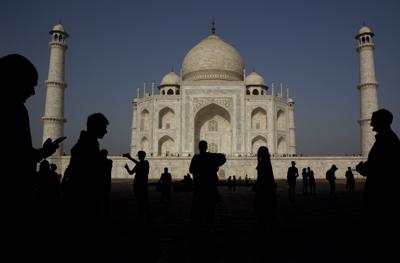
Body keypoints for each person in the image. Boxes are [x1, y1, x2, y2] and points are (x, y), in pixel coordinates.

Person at [1, 54, 59, 259]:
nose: (34, 91)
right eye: (29, 84)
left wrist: (42, 153)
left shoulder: (18, 109)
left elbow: (18, 155)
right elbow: (17, 158)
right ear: (13, 80)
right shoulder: (15, 111)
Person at [356, 109, 400, 259]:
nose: (371, 123)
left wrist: (364, 168)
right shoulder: (386, 139)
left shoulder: (387, 140)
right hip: (380, 191)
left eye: (374, 120)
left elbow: (382, 166)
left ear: (382, 122)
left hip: (382, 193)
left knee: (380, 229)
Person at [189, 140, 226, 231]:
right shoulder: (210, 157)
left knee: (198, 206)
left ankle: (197, 225)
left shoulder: (196, 158)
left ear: (199, 147)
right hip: (209, 185)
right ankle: (209, 225)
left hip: (199, 186)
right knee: (210, 207)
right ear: (206, 147)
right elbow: (223, 159)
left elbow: (191, 170)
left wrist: (198, 172)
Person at [123, 151, 151, 225]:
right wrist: (127, 168)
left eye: (139, 155)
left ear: (142, 156)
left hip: (141, 185)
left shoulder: (145, 163)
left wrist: (130, 158)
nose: (138, 156)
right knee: (141, 202)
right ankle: (142, 217)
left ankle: (144, 218)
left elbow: (139, 164)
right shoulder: (140, 164)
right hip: (138, 185)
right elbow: (131, 173)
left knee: (143, 201)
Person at [254, 146, 278, 233]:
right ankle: (271, 227)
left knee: (261, 209)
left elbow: (262, 177)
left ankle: (263, 228)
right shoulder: (267, 163)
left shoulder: (262, 163)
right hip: (267, 189)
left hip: (263, 190)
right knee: (269, 210)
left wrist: (258, 185)